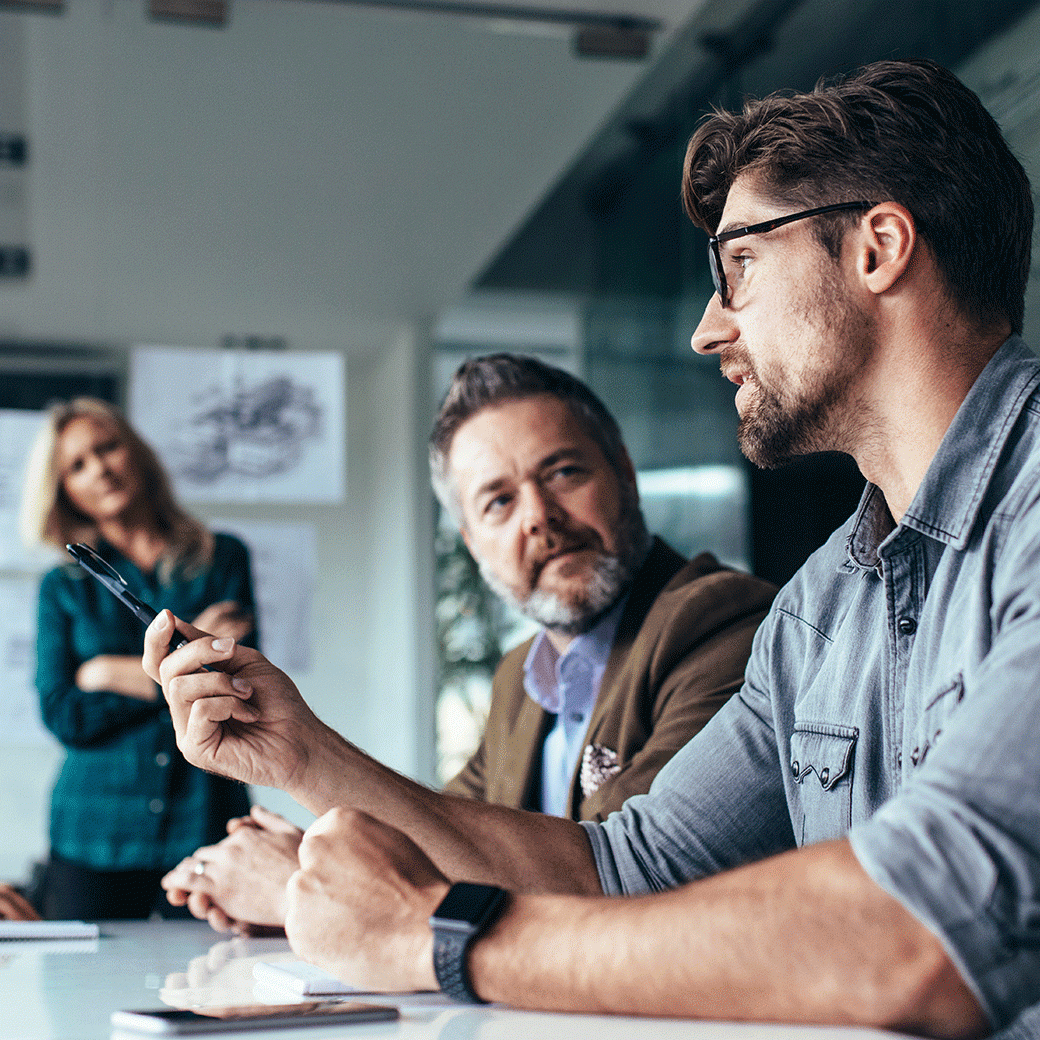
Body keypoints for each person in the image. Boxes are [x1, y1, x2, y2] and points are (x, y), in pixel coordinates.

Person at [140, 57, 1040, 1038]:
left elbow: (925, 928)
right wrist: (301, 748)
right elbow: (623, 867)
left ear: (876, 248)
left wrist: (440, 937)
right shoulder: (823, 606)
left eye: (737, 264)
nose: (706, 329)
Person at [160, 354, 776, 932]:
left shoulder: (723, 623)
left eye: (562, 473)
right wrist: (318, 857)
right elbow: (446, 840)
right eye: (499, 501)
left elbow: (615, 883)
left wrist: (301, 883)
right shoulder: (521, 677)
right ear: (471, 540)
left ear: (622, 471)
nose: (538, 516)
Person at [21, 398, 259, 920]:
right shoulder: (62, 588)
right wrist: (178, 673)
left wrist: (105, 673)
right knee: (79, 995)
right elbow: (64, 713)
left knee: (212, 983)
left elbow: (235, 687)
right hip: (94, 832)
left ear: (137, 453)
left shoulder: (222, 559)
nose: (100, 468)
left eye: (108, 448)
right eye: (77, 465)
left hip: (203, 820)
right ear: (64, 491)